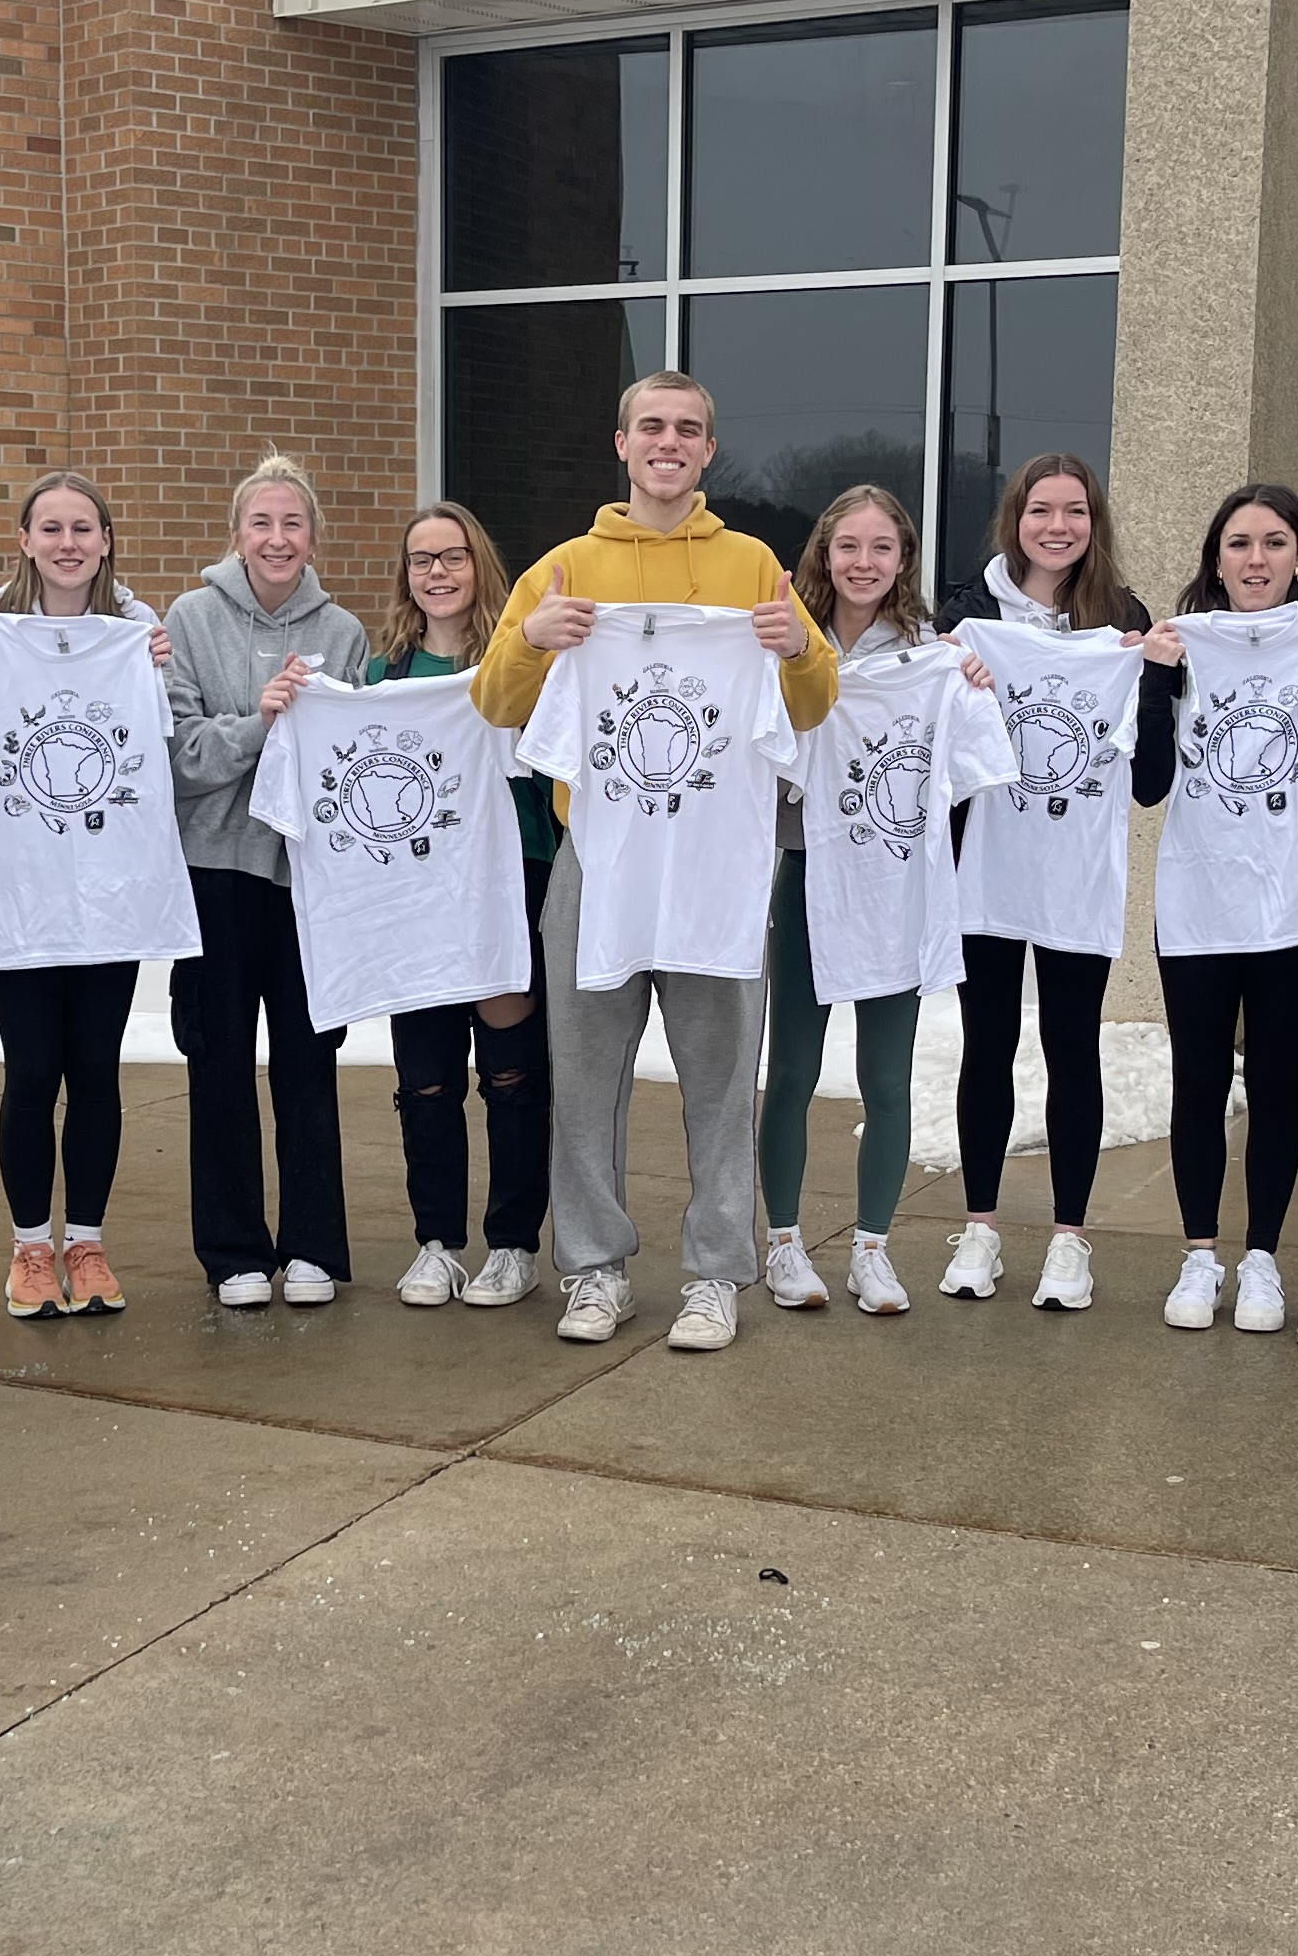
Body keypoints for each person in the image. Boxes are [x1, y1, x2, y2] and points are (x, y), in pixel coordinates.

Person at [469, 370, 836, 1356]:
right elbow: (498, 708)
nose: (668, 443)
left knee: (722, 1078)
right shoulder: (562, 569)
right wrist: (535, 643)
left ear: (709, 450)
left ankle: (716, 1273)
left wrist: (799, 648)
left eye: (688, 429)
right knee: (584, 1075)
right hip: (601, 857)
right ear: (621, 444)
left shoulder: (755, 564)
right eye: (651, 427)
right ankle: (593, 1267)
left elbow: (809, 707)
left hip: (716, 860)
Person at [1139, 481, 1298, 1336]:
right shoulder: (1183, 651)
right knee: (1200, 1083)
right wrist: (1152, 682)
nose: (1257, 559)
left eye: (1275, 543)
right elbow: (1146, 784)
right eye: (1240, 544)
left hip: (1297, 901)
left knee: (1279, 1084)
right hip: (1200, 899)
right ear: (1217, 559)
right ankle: (1199, 1255)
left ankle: (1264, 1261)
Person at [932, 452, 1169, 1314]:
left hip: (1075, 871)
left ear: (1093, 523)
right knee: (986, 1045)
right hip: (987, 867)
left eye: (1075, 511)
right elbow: (938, 760)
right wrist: (955, 677)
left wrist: (1153, 678)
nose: (1058, 526)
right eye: (1042, 511)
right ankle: (982, 1229)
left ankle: (1071, 1241)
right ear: (1015, 519)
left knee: (1074, 1048)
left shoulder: (1123, 619)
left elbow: (1150, 781)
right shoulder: (968, 613)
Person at [0, 471, 172, 1320]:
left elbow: (160, 737)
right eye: (52, 528)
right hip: (23, 888)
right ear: (25, 539)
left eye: (84, 528)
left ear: (107, 541)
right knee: (32, 1072)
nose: (68, 542)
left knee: (96, 1072)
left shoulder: (137, 628)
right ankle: (29, 1252)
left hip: (110, 891)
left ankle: (87, 1241)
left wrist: (158, 670)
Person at [163, 455, 371, 1305]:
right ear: (237, 536)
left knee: (309, 1062)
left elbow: (352, 761)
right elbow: (180, 757)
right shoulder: (188, 616)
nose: (277, 539)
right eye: (262, 524)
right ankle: (234, 1251)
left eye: (292, 524)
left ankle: (314, 1244)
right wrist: (261, 719)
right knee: (216, 1064)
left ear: (312, 537)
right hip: (214, 873)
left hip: (308, 882)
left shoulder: (345, 632)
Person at [759, 485, 964, 1318]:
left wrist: (973, 677)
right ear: (824, 552)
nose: (864, 563)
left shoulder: (930, 655)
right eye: (849, 546)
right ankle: (781, 1242)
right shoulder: (786, 640)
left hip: (892, 885)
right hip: (807, 873)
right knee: (794, 1072)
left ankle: (872, 1249)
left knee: (886, 1077)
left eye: (882, 548)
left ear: (904, 560)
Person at [365, 500, 555, 1309]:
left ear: (479, 566)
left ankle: (513, 1243)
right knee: (427, 1075)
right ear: (405, 576)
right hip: (417, 894)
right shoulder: (382, 677)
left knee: (511, 1071)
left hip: (510, 876)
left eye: (451, 557)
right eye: (421, 560)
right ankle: (436, 1241)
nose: (436, 573)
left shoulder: (520, 661)